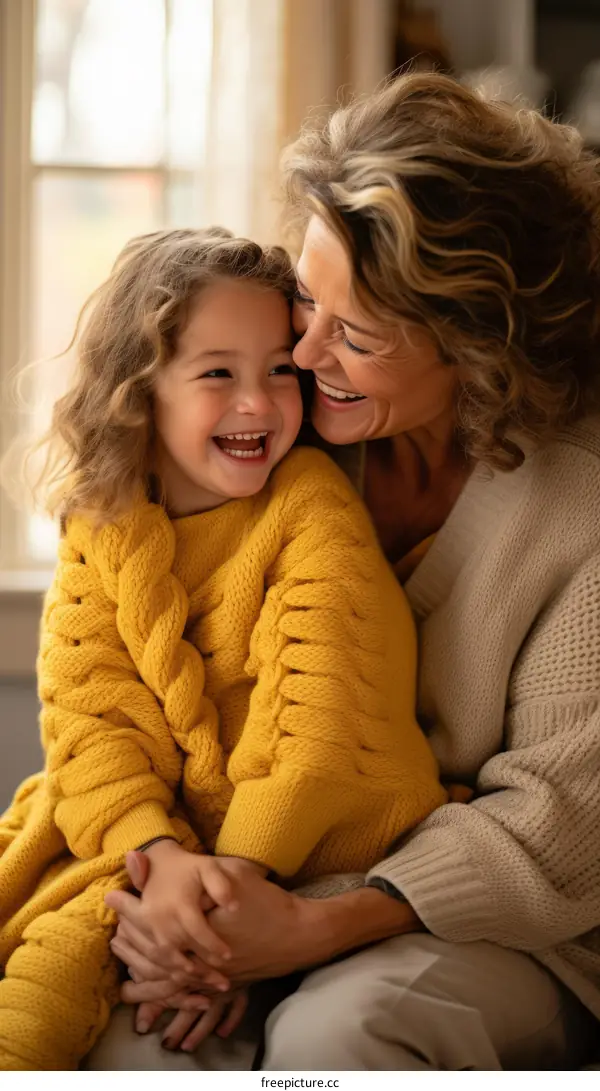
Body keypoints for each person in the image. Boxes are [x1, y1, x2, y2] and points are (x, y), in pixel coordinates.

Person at [92, 72, 600, 1071]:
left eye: (355, 335)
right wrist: (173, 882)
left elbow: (556, 823)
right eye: (307, 298)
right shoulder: (270, 431)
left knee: (340, 1034)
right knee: (122, 1031)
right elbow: (129, 663)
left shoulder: (577, 511)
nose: (301, 349)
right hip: (252, 878)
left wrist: (300, 927)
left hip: (507, 923)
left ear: (479, 349)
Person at [0, 227, 445, 1071]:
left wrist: (221, 906)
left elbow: (320, 729)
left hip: (297, 852)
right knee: (39, 993)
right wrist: (158, 857)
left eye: (281, 369)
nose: (258, 402)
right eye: (217, 374)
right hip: (147, 848)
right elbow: (90, 718)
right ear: (141, 390)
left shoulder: (310, 509)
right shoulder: (103, 523)